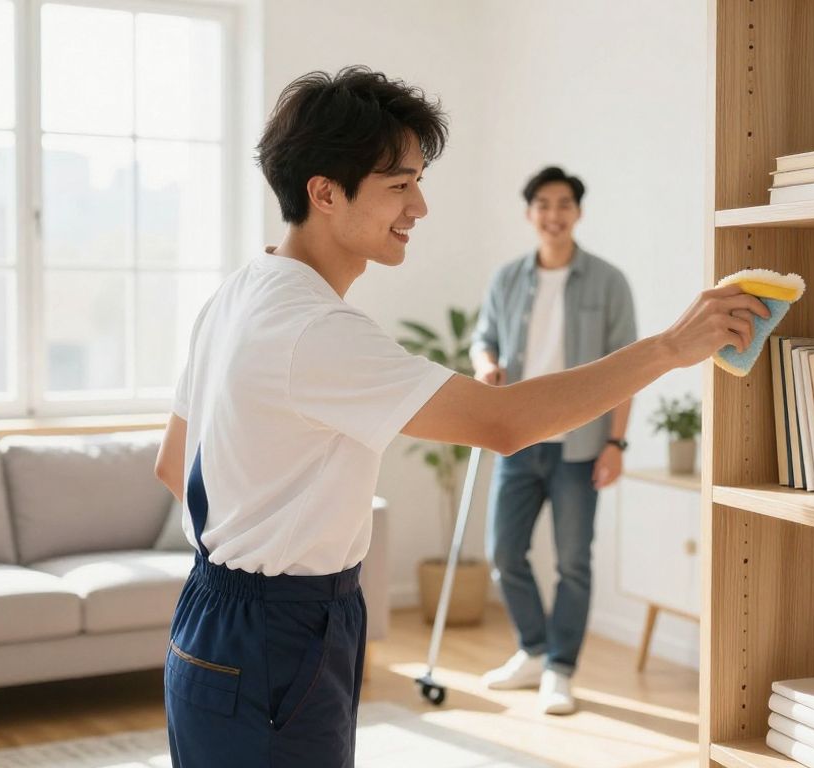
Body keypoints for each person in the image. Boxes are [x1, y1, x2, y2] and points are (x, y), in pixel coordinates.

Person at [153, 65, 767, 768]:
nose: (419, 207)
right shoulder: (314, 329)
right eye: (399, 185)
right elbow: (502, 424)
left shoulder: (239, 292)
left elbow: (173, 464)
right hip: (279, 634)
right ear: (325, 192)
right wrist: (670, 348)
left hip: (210, 622)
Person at [471, 166, 635, 715]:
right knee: (504, 553)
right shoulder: (507, 279)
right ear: (530, 213)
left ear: (578, 213)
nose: (554, 214)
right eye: (543, 204)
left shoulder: (609, 281)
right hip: (517, 438)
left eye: (564, 204)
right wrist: (487, 366)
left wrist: (617, 444)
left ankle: (560, 669)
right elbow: (483, 340)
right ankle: (534, 650)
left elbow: (626, 370)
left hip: (581, 446)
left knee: (572, 562)